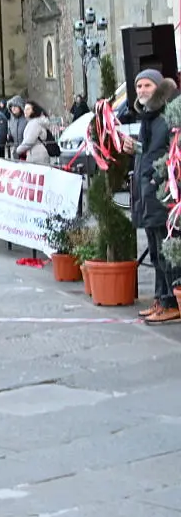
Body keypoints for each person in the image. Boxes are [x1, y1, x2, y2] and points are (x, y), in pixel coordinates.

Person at [119, 69, 181, 325]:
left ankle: (171, 301)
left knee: (167, 251)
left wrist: (159, 180)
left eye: (147, 85)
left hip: (163, 193)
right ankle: (161, 298)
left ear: (158, 88)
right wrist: (136, 148)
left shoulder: (168, 115)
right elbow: (152, 150)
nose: (142, 90)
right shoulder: (149, 116)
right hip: (148, 193)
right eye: (139, 86)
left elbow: (171, 151)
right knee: (155, 252)